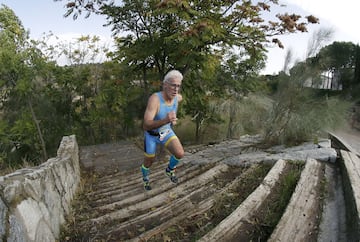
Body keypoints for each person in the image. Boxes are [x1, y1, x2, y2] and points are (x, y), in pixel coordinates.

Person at [140, 70, 185, 191]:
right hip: (152, 135)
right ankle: (145, 178)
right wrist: (166, 120)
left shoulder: (177, 97)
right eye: (173, 85)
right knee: (149, 160)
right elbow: (146, 125)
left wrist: (172, 119)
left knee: (179, 153)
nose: (176, 89)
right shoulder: (155, 100)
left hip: (165, 132)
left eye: (178, 86)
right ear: (165, 85)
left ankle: (169, 170)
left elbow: (179, 99)